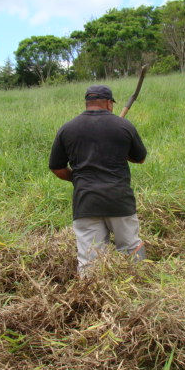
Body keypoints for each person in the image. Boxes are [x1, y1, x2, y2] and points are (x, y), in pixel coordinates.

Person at [49, 84, 147, 275]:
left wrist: (78, 179)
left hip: (86, 202)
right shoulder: (124, 126)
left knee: (89, 259)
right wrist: (119, 149)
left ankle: (90, 298)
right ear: (109, 104)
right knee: (130, 249)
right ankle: (138, 286)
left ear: (87, 103)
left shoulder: (67, 129)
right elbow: (140, 158)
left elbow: (57, 168)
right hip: (119, 200)